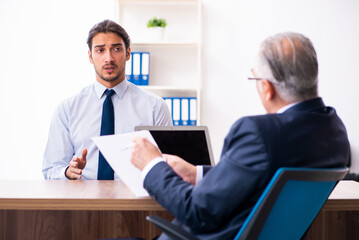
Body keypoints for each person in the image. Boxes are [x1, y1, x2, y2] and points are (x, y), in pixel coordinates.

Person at [130, 32, 350, 239]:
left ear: (267, 87)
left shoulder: (258, 133)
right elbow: (264, 176)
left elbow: (197, 212)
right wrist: (197, 173)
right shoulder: (335, 130)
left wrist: (152, 165)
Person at [42, 20, 172, 180]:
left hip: (135, 201)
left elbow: (167, 167)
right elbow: (51, 170)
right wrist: (68, 173)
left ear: (128, 53)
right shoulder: (67, 108)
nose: (108, 58)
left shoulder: (156, 107)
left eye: (116, 49)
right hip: (82, 200)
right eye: (100, 50)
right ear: (90, 56)